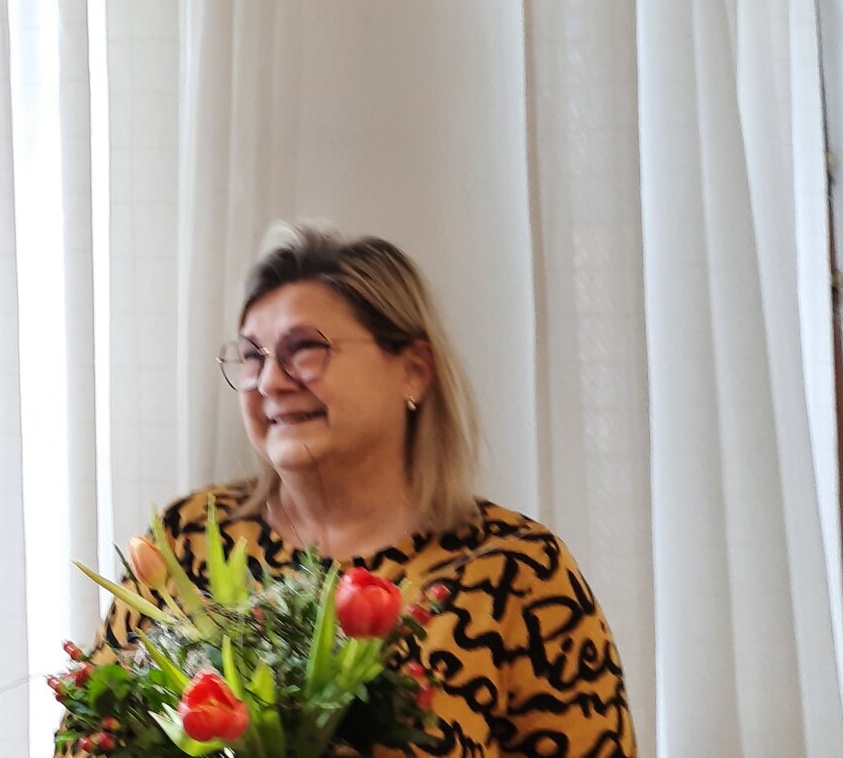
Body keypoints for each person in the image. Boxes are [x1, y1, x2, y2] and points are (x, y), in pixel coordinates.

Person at [90, 224, 634, 756]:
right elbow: (88, 738)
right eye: (253, 356)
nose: (271, 382)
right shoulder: (188, 538)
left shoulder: (515, 569)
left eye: (304, 348)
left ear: (414, 371)